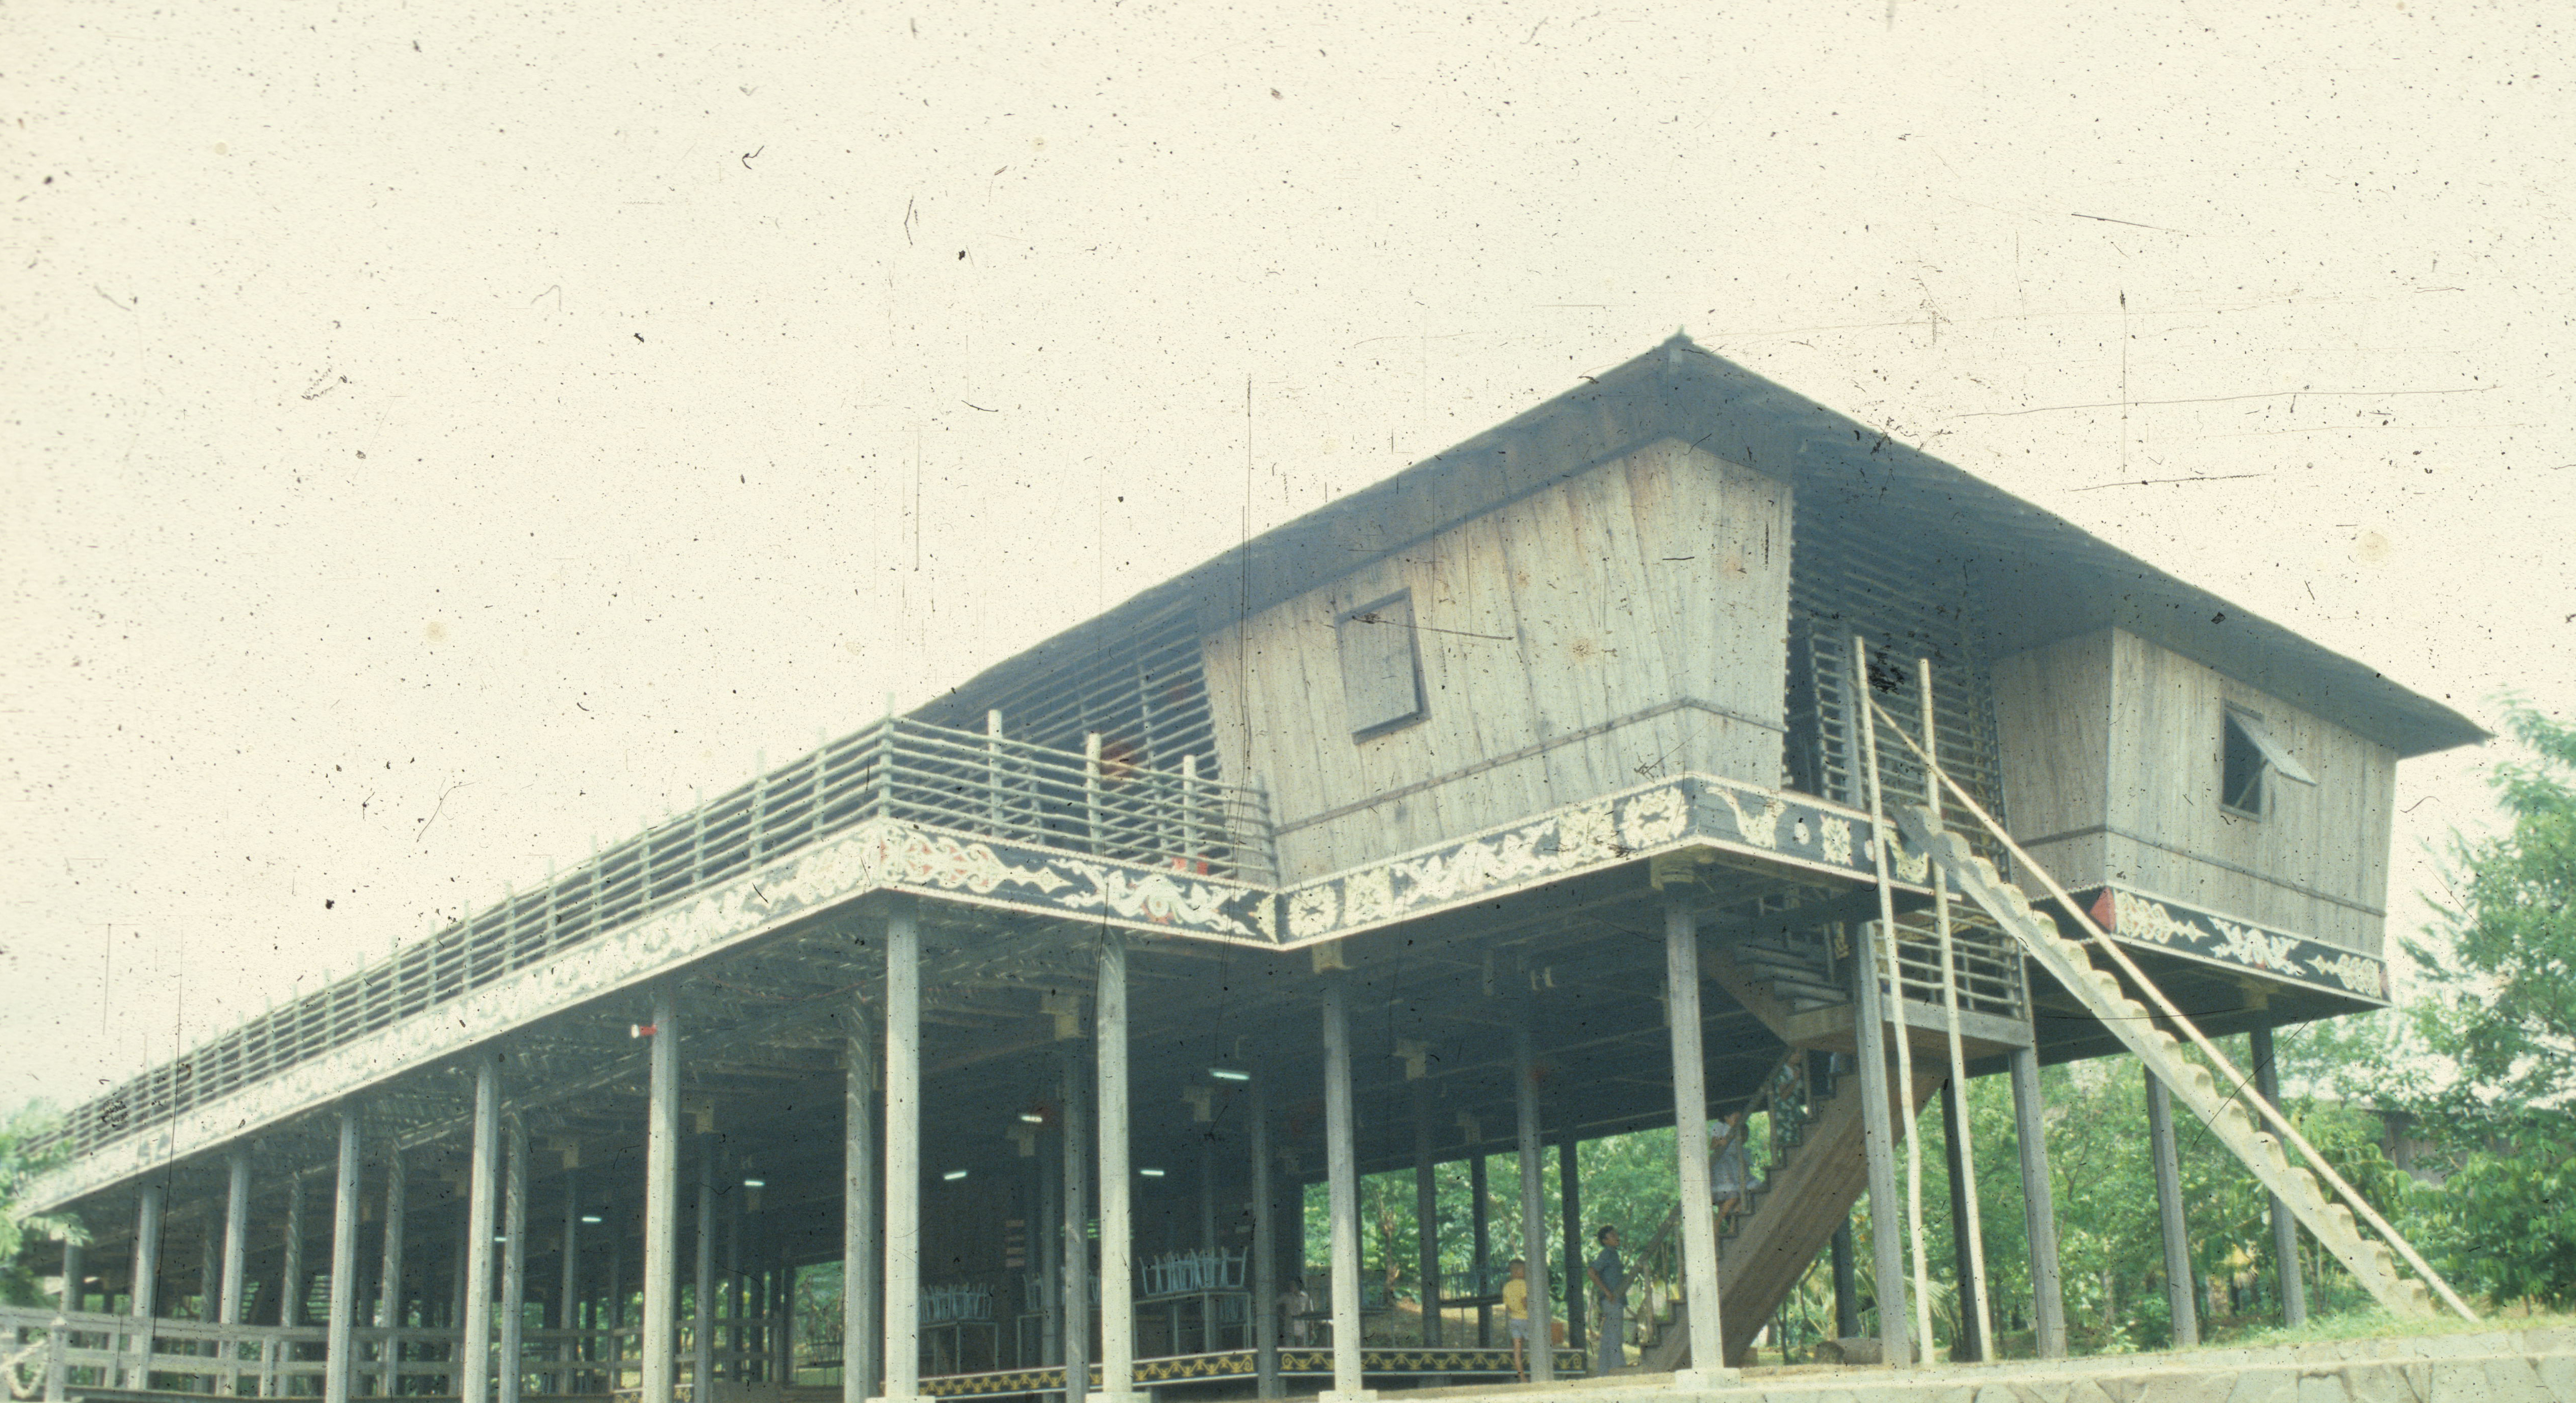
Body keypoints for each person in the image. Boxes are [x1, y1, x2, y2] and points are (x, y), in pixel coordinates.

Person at [1586, 1225, 1625, 1374]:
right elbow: (1591, 1272)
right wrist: (1607, 1292)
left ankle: (1603, 1373)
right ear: (1605, 1241)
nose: (1617, 1238)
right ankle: (1619, 1370)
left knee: (1608, 1338)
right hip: (1612, 1301)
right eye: (1612, 1236)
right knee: (1615, 1337)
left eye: (1616, 1234)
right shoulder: (1607, 1254)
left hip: (1614, 1300)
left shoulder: (1613, 1254)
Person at [1710, 1109, 1753, 1221]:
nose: (1738, 1118)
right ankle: (1717, 1226)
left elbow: (1742, 1141)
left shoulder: (1741, 1127)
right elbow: (1713, 1145)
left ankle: (1733, 1225)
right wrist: (1720, 1140)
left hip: (1736, 1164)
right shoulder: (1719, 1126)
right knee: (1731, 1197)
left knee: (1742, 1196)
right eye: (1735, 1116)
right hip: (1724, 1166)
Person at [1500, 1258, 1532, 1381]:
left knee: (1517, 1351)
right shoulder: (1524, 1284)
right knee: (1535, 1346)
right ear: (1518, 1271)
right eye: (1525, 1270)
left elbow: (1508, 1308)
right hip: (1526, 1320)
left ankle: (1523, 1378)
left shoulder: (1507, 1287)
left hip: (1514, 1321)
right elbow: (1525, 1302)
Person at [1277, 1275, 1313, 1346]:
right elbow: (1274, 1305)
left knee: (1302, 1349)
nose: (1291, 1287)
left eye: (1293, 1285)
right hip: (1289, 1327)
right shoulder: (1286, 1297)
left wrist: (1311, 1329)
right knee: (1289, 1349)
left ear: (1298, 1285)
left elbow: (1310, 1313)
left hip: (1302, 1328)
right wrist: (1281, 1316)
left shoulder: (1306, 1297)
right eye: (1290, 1285)